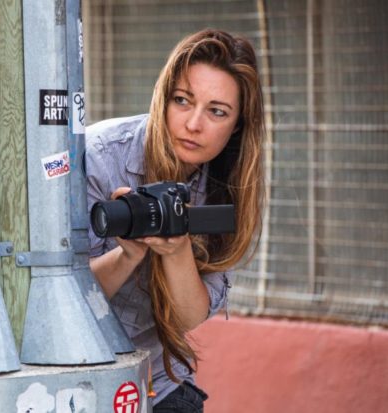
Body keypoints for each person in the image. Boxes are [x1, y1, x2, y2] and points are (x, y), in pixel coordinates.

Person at [86, 29, 265, 412]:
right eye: (183, 101)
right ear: (163, 98)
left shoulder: (227, 188)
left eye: (217, 111)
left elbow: (188, 317)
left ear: (237, 125)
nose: (194, 124)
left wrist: (176, 246)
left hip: (156, 380)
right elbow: (61, 299)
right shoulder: (101, 157)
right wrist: (128, 254)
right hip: (77, 374)